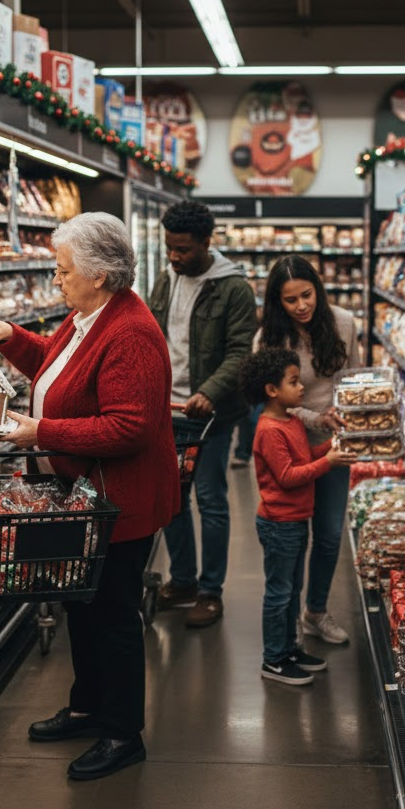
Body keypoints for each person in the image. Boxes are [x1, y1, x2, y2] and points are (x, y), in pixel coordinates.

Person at [0, 212, 179, 782]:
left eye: (64, 270)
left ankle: (123, 733)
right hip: (83, 497)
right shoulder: (89, 315)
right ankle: (88, 707)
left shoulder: (130, 332)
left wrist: (42, 432)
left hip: (120, 504)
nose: (57, 279)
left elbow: (129, 426)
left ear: (100, 275)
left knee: (112, 616)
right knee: (81, 607)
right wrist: (11, 337)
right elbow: (57, 368)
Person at [148, 200, 257, 627]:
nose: (174, 257)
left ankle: (211, 592)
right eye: (169, 248)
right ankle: (183, 581)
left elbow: (240, 351)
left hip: (213, 415)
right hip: (169, 410)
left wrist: (209, 391)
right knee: (172, 500)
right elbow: (153, 335)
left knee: (210, 499)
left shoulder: (233, 288)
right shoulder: (165, 279)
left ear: (207, 243)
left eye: (184, 249)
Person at [256, 255, 362, 646]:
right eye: (290, 300)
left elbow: (354, 380)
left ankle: (315, 611)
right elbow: (271, 402)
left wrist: (352, 411)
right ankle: (288, 620)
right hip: (288, 446)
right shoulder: (268, 338)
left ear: (318, 288)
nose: (302, 305)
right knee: (293, 538)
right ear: (277, 302)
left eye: (307, 295)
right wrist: (316, 417)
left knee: (330, 535)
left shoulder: (344, 323)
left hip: (332, 446)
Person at [239, 348, 355, 685]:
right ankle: (274, 659)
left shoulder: (290, 420)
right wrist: (328, 463)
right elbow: (289, 476)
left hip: (295, 520)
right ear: (271, 390)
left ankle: (290, 649)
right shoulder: (269, 430)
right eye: (293, 382)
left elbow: (303, 457)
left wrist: (329, 447)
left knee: (292, 590)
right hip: (279, 524)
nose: (302, 387)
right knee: (279, 592)